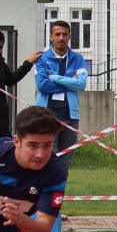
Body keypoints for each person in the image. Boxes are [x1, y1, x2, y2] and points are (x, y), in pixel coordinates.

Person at [33, 21, 89, 153]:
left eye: (65, 34)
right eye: (57, 34)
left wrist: (55, 77)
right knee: (49, 158)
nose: (61, 38)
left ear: (69, 36)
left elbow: (81, 84)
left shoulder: (78, 58)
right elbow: (42, 86)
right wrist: (70, 83)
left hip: (70, 117)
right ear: (51, 36)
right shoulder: (42, 58)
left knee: (65, 161)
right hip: (46, 117)